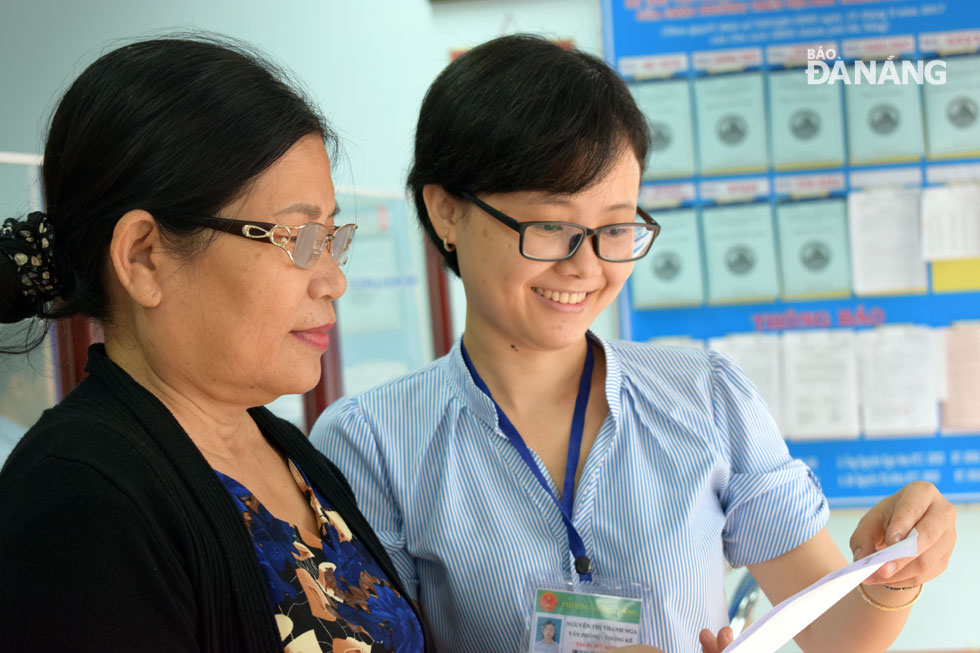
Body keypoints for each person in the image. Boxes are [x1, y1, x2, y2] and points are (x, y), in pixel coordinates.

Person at [312, 34, 957, 653]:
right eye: (552, 227)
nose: (586, 266)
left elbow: (839, 634)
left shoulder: (705, 394)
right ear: (448, 210)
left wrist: (897, 567)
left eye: (616, 229)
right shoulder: (370, 443)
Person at [0, 37, 429, 652]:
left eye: (333, 239)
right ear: (144, 257)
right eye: (299, 238)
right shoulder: (78, 501)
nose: (334, 279)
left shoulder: (287, 452)